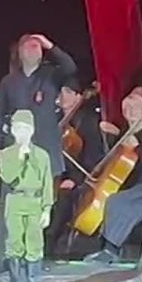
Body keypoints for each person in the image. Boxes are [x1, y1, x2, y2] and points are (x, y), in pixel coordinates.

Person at [0, 33, 76, 271]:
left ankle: (34, 258)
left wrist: (50, 45)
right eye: (29, 45)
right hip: (15, 148)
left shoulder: (51, 75)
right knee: (9, 204)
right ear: (20, 52)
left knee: (40, 206)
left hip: (44, 149)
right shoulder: (9, 82)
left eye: (38, 46)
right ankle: (5, 258)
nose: (34, 49)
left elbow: (70, 66)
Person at [84, 93, 142, 264]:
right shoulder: (125, 133)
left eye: (134, 108)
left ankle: (112, 248)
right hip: (134, 183)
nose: (130, 111)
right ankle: (105, 247)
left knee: (117, 201)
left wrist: (137, 148)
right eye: (126, 108)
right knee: (111, 198)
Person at [0, 110, 54, 282]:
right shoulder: (7, 154)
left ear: (32, 130)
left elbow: (47, 183)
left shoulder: (42, 155)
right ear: (13, 131)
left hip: (35, 202)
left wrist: (47, 208)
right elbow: (8, 177)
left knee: (35, 242)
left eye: (26, 129)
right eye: (19, 129)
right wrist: (20, 158)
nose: (22, 133)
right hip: (15, 200)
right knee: (14, 242)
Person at [47, 78, 104, 254]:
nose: (62, 96)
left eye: (68, 92)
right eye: (61, 91)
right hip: (56, 171)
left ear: (79, 97)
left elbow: (94, 155)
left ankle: (50, 240)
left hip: (78, 175)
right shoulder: (54, 119)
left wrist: (74, 179)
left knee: (63, 196)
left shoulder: (88, 121)